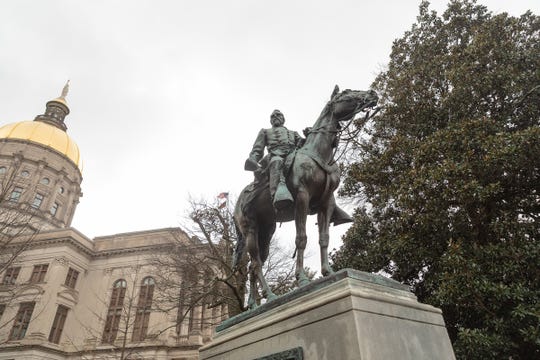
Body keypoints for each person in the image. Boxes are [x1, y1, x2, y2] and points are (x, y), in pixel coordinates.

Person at [244, 109, 303, 210]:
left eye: (278, 115)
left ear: (283, 119)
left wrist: (310, 135)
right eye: (273, 116)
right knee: (276, 161)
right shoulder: (265, 132)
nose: (275, 117)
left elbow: (304, 144)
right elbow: (257, 149)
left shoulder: (293, 133)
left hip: (293, 154)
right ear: (270, 121)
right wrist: (253, 160)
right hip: (275, 155)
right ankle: (276, 197)